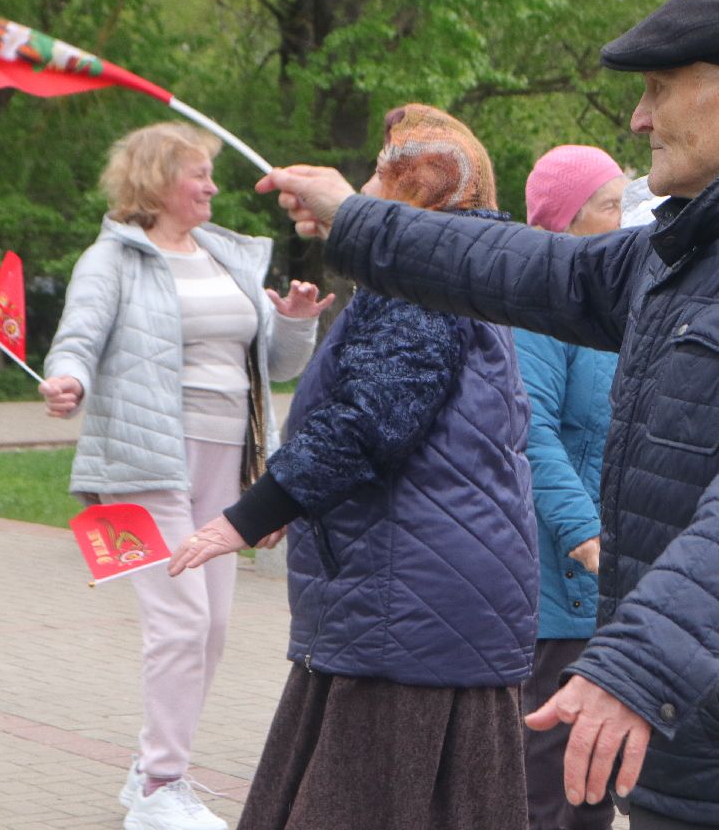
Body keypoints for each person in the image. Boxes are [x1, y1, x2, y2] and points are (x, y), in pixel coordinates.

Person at [258, 0, 719, 828]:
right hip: (701, 731)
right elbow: (532, 269)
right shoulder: (711, 233)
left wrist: (635, 667)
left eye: (660, 91)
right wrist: (357, 221)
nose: (638, 118)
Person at [169, 105, 539, 830]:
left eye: (380, 173)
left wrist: (254, 513)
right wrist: (299, 501)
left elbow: (370, 419)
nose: (364, 185)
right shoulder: (449, 271)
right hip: (416, 596)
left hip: (410, 606)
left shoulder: (425, 281)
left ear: (420, 192)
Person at [40, 122, 324, 830]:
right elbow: (78, 336)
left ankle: (151, 773)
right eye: (198, 174)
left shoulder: (225, 254)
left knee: (216, 625)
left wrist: (293, 322)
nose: (212, 187)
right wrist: (66, 379)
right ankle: (164, 783)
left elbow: (277, 364)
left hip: (228, 463)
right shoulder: (113, 260)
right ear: (157, 181)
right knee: (181, 621)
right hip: (145, 463)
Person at [517, 144, 627, 830]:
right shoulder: (540, 308)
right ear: (567, 220)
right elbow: (532, 434)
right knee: (548, 789)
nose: (626, 220)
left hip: (609, 585)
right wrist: (584, 532)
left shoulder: (608, 305)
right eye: (612, 206)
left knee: (595, 789)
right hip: (556, 585)